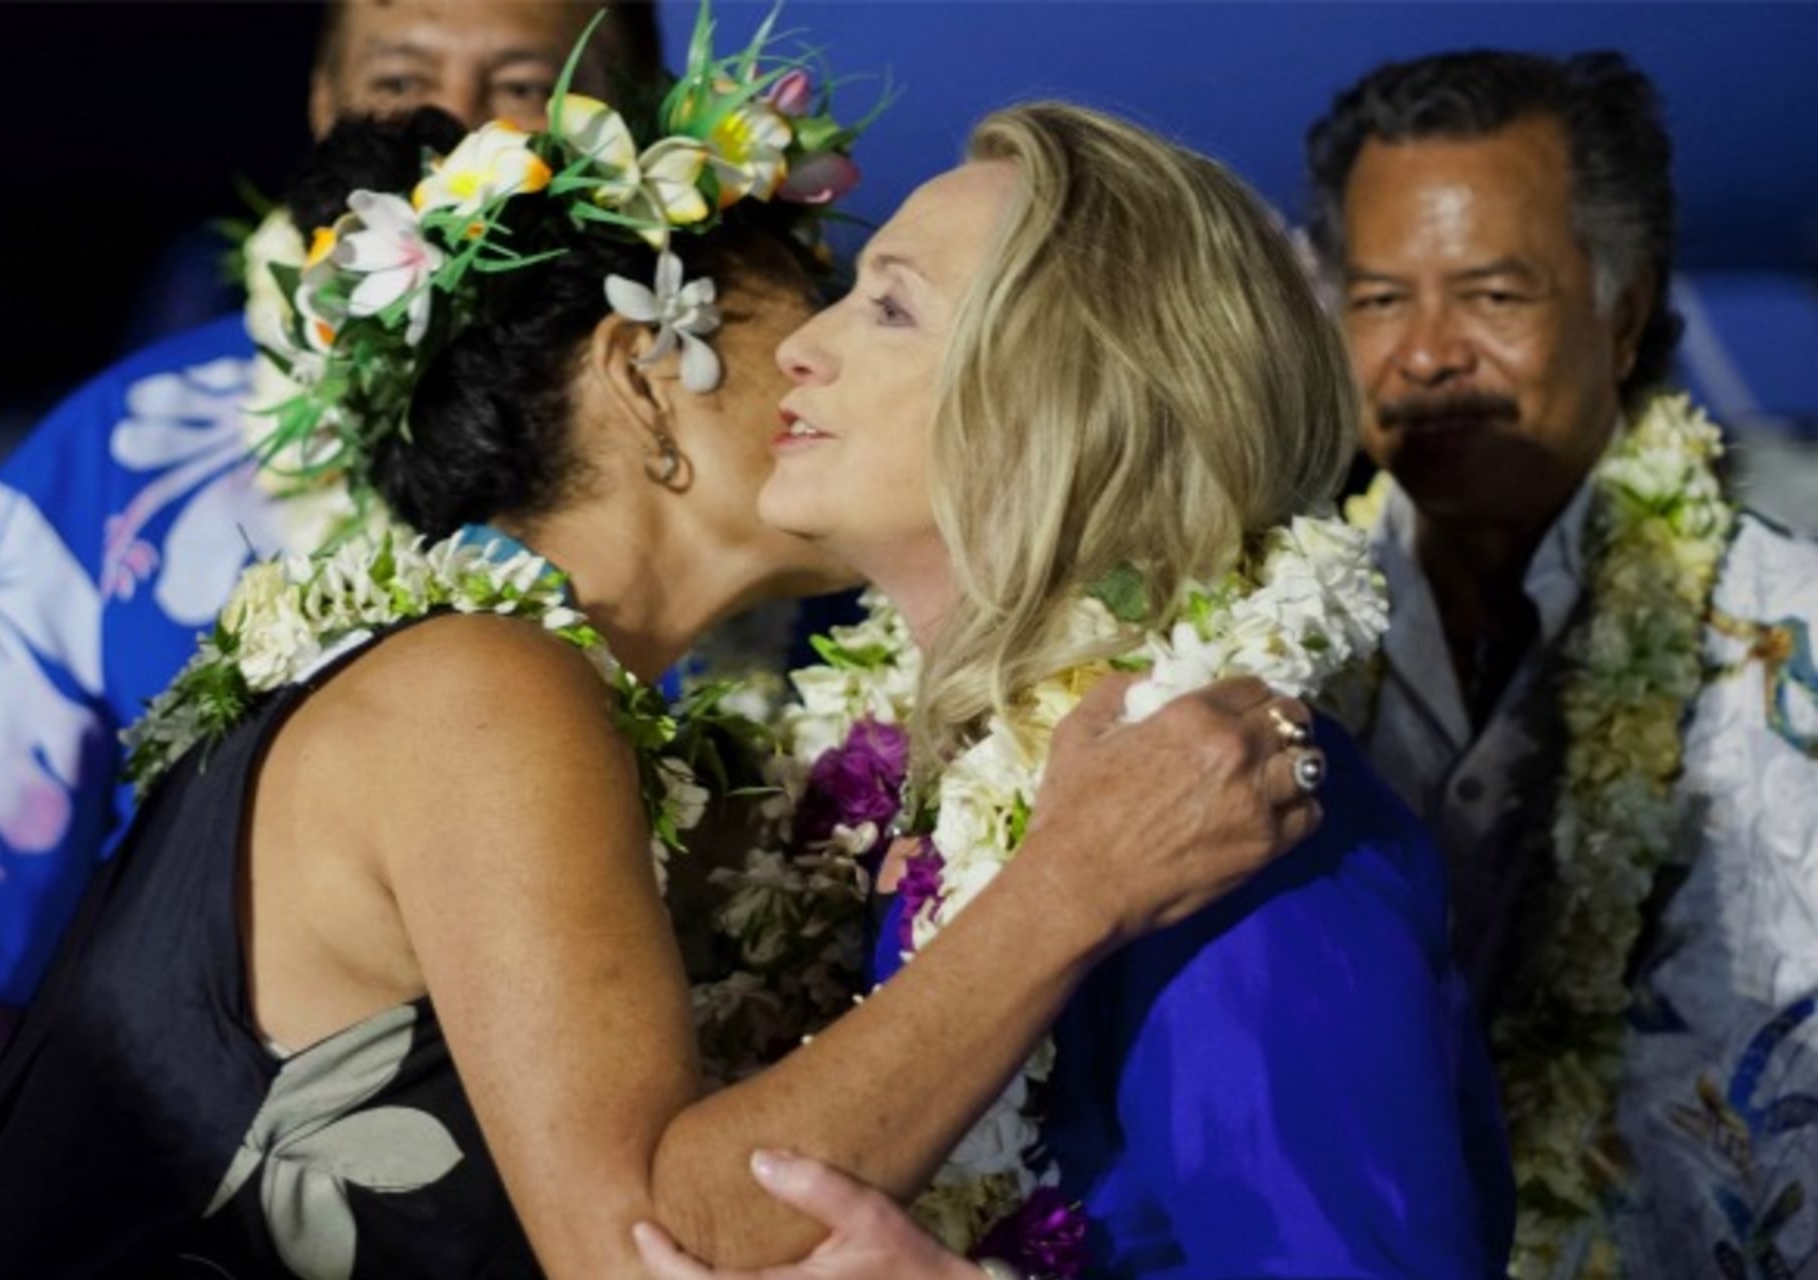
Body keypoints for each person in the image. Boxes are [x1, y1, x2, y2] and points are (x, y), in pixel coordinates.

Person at [0, 37, 1323, 1277]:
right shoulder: (481, 694)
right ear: (645, 370)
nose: (828, 349)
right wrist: (1073, 881)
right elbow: (644, 1252)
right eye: (823, 294)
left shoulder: (506, 683)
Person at [643, 101, 1515, 1279]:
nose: (803, 344)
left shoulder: (1236, 821)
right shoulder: (923, 790)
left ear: (1069, 403)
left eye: (891, 305)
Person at [0, 0, 661, 1229]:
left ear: (639, 117)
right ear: (321, 104)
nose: (451, 130)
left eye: (522, 83)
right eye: (400, 75)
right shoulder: (111, 472)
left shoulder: (758, 464)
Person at [1304, 50, 1818, 1277]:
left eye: (1491, 294)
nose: (1424, 354)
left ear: (1623, 309)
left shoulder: (1792, 631)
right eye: (1377, 299)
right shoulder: (1269, 647)